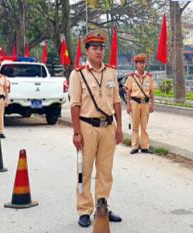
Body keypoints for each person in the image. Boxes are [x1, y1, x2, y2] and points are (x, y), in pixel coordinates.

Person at [69, 29, 123, 228]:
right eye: (94, 48)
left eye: (101, 48)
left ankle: (102, 207)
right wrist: (76, 132)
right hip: (86, 127)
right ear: (87, 51)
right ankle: (84, 210)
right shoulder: (78, 74)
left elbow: (116, 101)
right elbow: (74, 104)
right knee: (84, 170)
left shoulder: (111, 72)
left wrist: (119, 127)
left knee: (105, 171)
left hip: (108, 127)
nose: (99, 51)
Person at [125, 53, 155, 154]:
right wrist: (128, 105)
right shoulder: (131, 77)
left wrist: (152, 104)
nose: (142, 65)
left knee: (144, 126)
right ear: (136, 64)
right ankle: (134, 146)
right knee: (135, 125)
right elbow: (128, 92)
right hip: (135, 103)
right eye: (140, 63)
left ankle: (145, 146)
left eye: (143, 63)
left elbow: (151, 92)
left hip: (145, 103)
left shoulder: (149, 77)